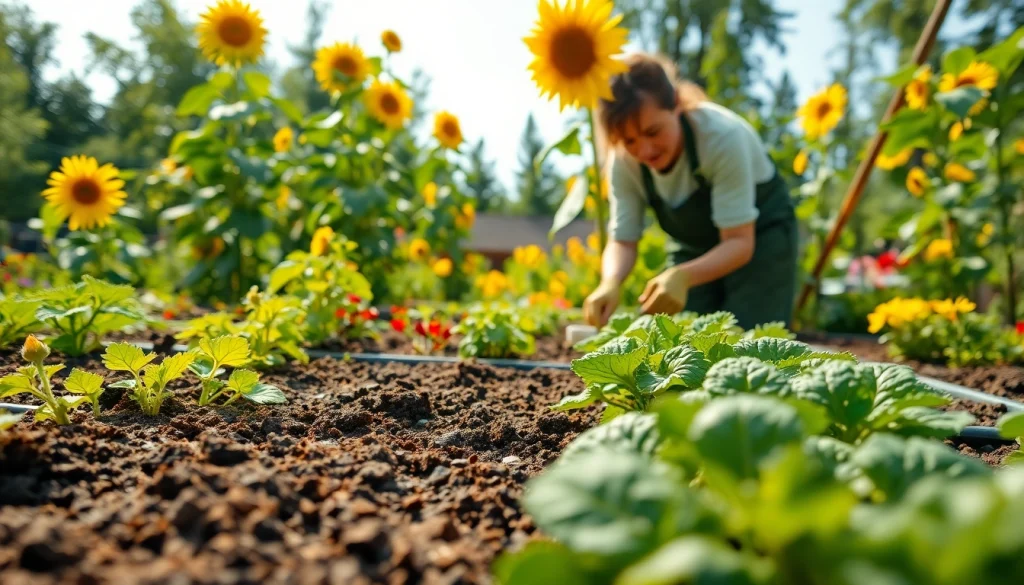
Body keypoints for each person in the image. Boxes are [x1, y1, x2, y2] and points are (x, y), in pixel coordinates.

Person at [582, 52, 799, 331]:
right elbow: (623, 240)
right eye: (630, 140)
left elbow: (739, 242)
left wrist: (682, 277)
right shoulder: (624, 161)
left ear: (676, 105)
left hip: (760, 239)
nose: (644, 150)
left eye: (653, 132)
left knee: (752, 340)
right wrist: (610, 282)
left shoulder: (722, 138)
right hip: (694, 251)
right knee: (683, 340)